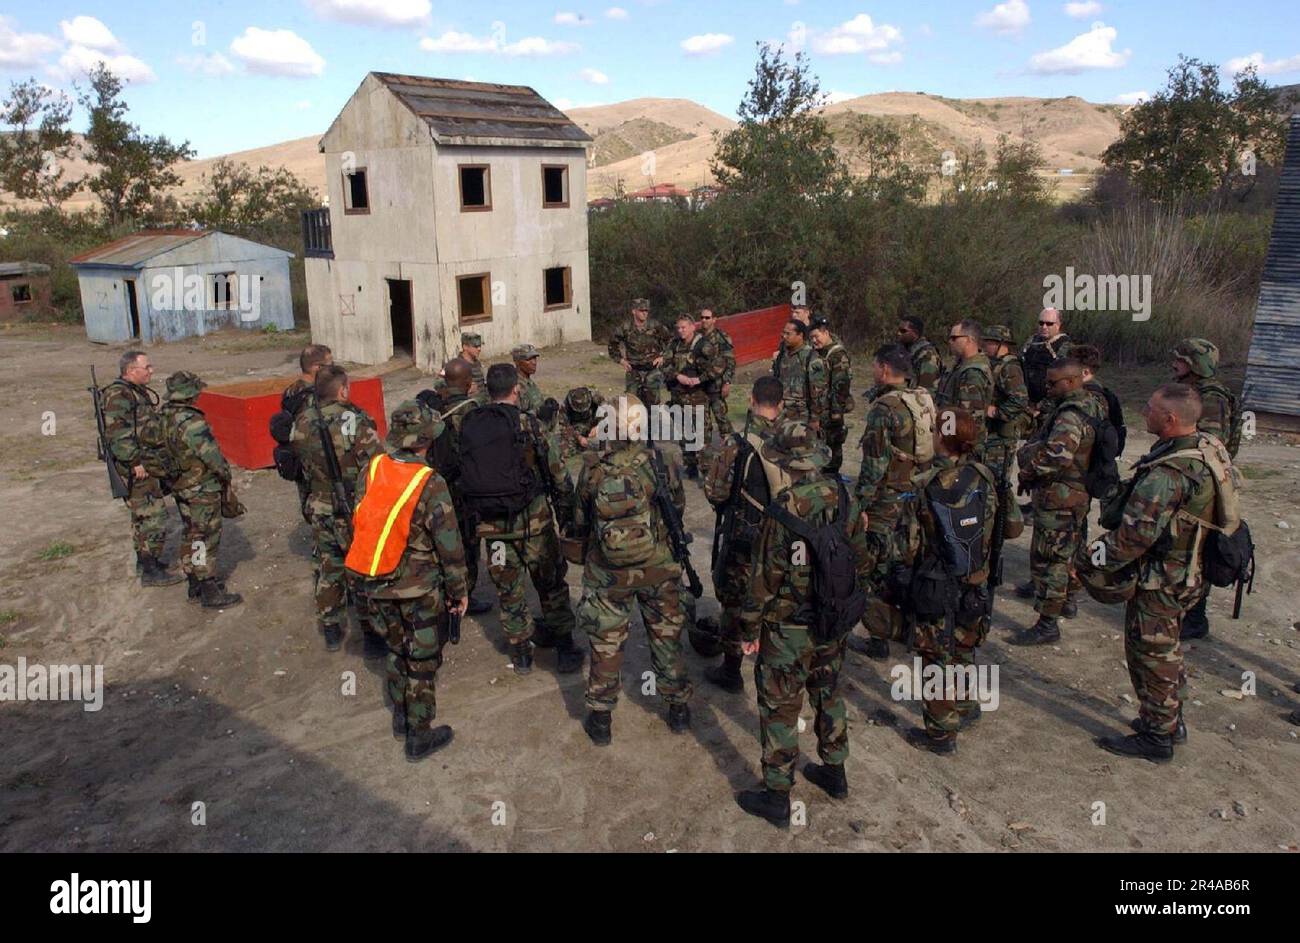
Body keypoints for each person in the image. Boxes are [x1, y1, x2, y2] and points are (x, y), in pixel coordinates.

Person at [1079, 383, 1221, 762]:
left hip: (1164, 578)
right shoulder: (1203, 449)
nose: (1144, 411)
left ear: (1171, 419)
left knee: (1151, 655)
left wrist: (1089, 562)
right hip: (1190, 571)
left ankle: (1158, 737)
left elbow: (1132, 537)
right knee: (1168, 650)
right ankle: (1170, 721)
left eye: (1151, 408)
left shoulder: (1169, 473)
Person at [735, 421, 850, 828]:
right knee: (828, 691)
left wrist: (748, 629)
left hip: (788, 628)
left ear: (784, 462)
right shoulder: (844, 496)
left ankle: (777, 795)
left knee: (781, 707)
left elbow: (763, 580)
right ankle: (835, 770)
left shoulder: (782, 511)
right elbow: (860, 558)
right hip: (832, 618)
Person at [346, 400, 469, 762]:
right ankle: (419, 732)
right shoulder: (430, 482)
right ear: (427, 438)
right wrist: (459, 592)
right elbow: (449, 544)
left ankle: (400, 713)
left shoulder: (372, 469)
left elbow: (360, 519)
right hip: (419, 589)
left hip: (375, 584)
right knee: (422, 659)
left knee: (397, 649)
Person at [574, 394, 694, 743]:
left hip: (607, 572)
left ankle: (600, 718)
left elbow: (580, 517)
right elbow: (678, 507)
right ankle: (678, 710)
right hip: (657, 567)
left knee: (606, 640)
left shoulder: (594, 465)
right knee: (666, 635)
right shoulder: (662, 459)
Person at [460, 363, 581, 674]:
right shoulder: (530, 424)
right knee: (551, 584)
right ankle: (565, 649)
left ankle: (521, 654)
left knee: (508, 589)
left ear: (488, 389)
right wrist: (568, 513)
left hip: (493, 529)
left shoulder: (471, 423)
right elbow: (557, 473)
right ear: (516, 389)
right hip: (534, 525)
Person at [902, 408, 998, 755]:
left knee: (934, 656)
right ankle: (965, 705)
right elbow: (1011, 527)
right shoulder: (986, 477)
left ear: (942, 438)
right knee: (964, 645)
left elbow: (909, 546)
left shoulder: (925, 485)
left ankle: (940, 733)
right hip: (977, 579)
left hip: (936, 584)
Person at [847, 344, 934, 660]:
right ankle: (910, 628)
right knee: (907, 561)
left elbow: (874, 465)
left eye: (874, 366)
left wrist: (860, 507)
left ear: (884, 369)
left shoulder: (885, 409)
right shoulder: (919, 399)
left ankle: (878, 638)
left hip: (887, 502)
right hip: (914, 496)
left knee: (876, 568)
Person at [290, 364, 384, 653]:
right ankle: (371, 632)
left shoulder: (302, 421)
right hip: (352, 506)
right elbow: (376, 462)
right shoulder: (354, 419)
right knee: (362, 568)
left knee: (329, 565)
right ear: (342, 390)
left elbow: (299, 465)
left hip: (319, 505)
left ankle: (331, 626)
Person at [1011, 358, 1104, 645]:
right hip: (1076, 494)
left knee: (1050, 558)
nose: (1047, 388)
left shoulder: (1070, 415)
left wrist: (1028, 471)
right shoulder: (1093, 404)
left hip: (1060, 497)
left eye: (1053, 383)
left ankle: (1047, 623)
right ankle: (1067, 601)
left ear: (1073, 380)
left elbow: (1057, 456)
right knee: (1069, 553)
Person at [700, 376, 783, 692]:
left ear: (751, 400)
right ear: (782, 404)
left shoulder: (736, 444)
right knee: (775, 601)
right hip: (783, 541)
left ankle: (732, 670)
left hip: (743, 539)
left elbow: (714, 492)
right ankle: (774, 671)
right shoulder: (796, 442)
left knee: (735, 602)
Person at [1171, 338, 1241, 640]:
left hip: (1203, 483)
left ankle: (1195, 617)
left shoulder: (1210, 397)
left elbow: (1210, 446)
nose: (1175, 363)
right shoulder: (1195, 391)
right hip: (1195, 479)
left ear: (1195, 365)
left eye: (1181, 359)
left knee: (1197, 547)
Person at [156, 371, 243, 609]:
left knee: (192, 533)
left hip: (180, 484)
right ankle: (208, 588)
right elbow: (212, 456)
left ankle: (195, 582)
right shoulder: (192, 421)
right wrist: (226, 475)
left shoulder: (164, 416)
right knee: (206, 536)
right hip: (201, 487)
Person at [101, 351, 182, 588]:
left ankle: (146, 561)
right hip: (137, 469)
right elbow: (117, 434)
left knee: (142, 517)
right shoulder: (119, 394)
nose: (151, 370)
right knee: (152, 517)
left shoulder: (134, 391)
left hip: (145, 463)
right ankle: (150, 570)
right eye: (147, 367)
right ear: (130, 370)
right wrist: (135, 462)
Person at [424, 358, 492, 616]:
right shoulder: (472, 411)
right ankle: (465, 594)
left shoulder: (431, 411)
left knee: (441, 541)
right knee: (468, 544)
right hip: (464, 491)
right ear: (467, 383)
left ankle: (441, 592)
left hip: (435, 489)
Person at [981, 324, 1031, 541]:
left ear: (1001, 345)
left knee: (999, 482)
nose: (986, 346)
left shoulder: (1010, 368)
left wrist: (996, 412)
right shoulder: (994, 364)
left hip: (1002, 437)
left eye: (990, 342)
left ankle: (1008, 523)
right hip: (991, 436)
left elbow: (1019, 400)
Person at [278, 345, 333, 523]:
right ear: (316, 367)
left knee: (308, 504)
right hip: (316, 461)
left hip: (299, 459)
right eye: (329, 364)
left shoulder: (291, 391)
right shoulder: (314, 396)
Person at [936, 320, 993, 455]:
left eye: (954, 338)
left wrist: (951, 445)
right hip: (948, 437)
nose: (950, 342)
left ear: (969, 340)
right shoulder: (959, 366)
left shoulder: (972, 372)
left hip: (959, 447)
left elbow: (969, 417)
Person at [666, 314, 711, 479]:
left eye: (684, 327)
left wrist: (700, 379)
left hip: (697, 397)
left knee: (701, 435)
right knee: (684, 434)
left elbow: (718, 366)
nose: (681, 331)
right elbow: (664, 365)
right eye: (678, 328)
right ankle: (690, 466)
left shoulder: (703, 345)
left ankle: (707, 472)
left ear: (693, 327)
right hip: (678, 396)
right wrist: (678, 376)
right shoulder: (674, 344)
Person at [609, 298, 673, 407]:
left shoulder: (655, 325)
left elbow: (670, 340)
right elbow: (612, 343)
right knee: (631, 405)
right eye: (641, 310)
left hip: (652, 370)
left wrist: (663, 357)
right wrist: (620, 360)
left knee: (653, 406)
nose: (644, 313)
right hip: (633, 370)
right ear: (634, 311)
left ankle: (652, 424)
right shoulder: (626, 327)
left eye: (646, 311)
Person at [811, 316, 854, 476]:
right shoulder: (819, 353)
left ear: (826, 333)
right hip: (822, 408)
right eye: (812, 338)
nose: (814, 341)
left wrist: (836, 411)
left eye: (816, 337)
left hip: (832, 410)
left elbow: (841, 385)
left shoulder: (837, 355)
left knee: (833, 442)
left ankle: (832, 475)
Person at [772, 319, 830, 436]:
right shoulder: (782, 355)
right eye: (783, 333)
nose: (784, 336)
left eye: (788, 334)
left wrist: (815, 419)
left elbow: (818, 392)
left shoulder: (811, 358)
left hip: (802, 418)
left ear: (800, 335)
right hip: (781, 415)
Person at [1021, 308, 1073, 410]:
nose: (1044, 327)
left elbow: (1064, 384)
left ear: (1058, 325)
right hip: (1025, 401)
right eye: (1041, 323)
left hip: (1048, 407)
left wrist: (1042, 407)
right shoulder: (1032, 341)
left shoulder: (1065, 347)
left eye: (1049, 324)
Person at [697, 308, 736, 438]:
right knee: (702, 421)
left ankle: (730, 448)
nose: (704, 320)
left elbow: (730, 361)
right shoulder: (697, 337)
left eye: (707, 317)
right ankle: (705, 451)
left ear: (714, 319)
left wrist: (727, 382)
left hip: (716, 385)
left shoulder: (722, 337)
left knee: (722, 419)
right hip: (699, 386)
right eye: (702, 317)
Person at [897, 315, 942, 393]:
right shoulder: (907, 351)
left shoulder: (928, 355)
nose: (898, 333)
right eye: (898, 330)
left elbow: (927, 391)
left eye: (903, 331)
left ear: (915, 333)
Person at [511, 344, 545, 416]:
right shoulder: (515, 386)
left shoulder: (528, 382)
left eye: (534, 358)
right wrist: (539, 412)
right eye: (528, 359)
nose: (534, 362)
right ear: (518, 362)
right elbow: (516, 417)